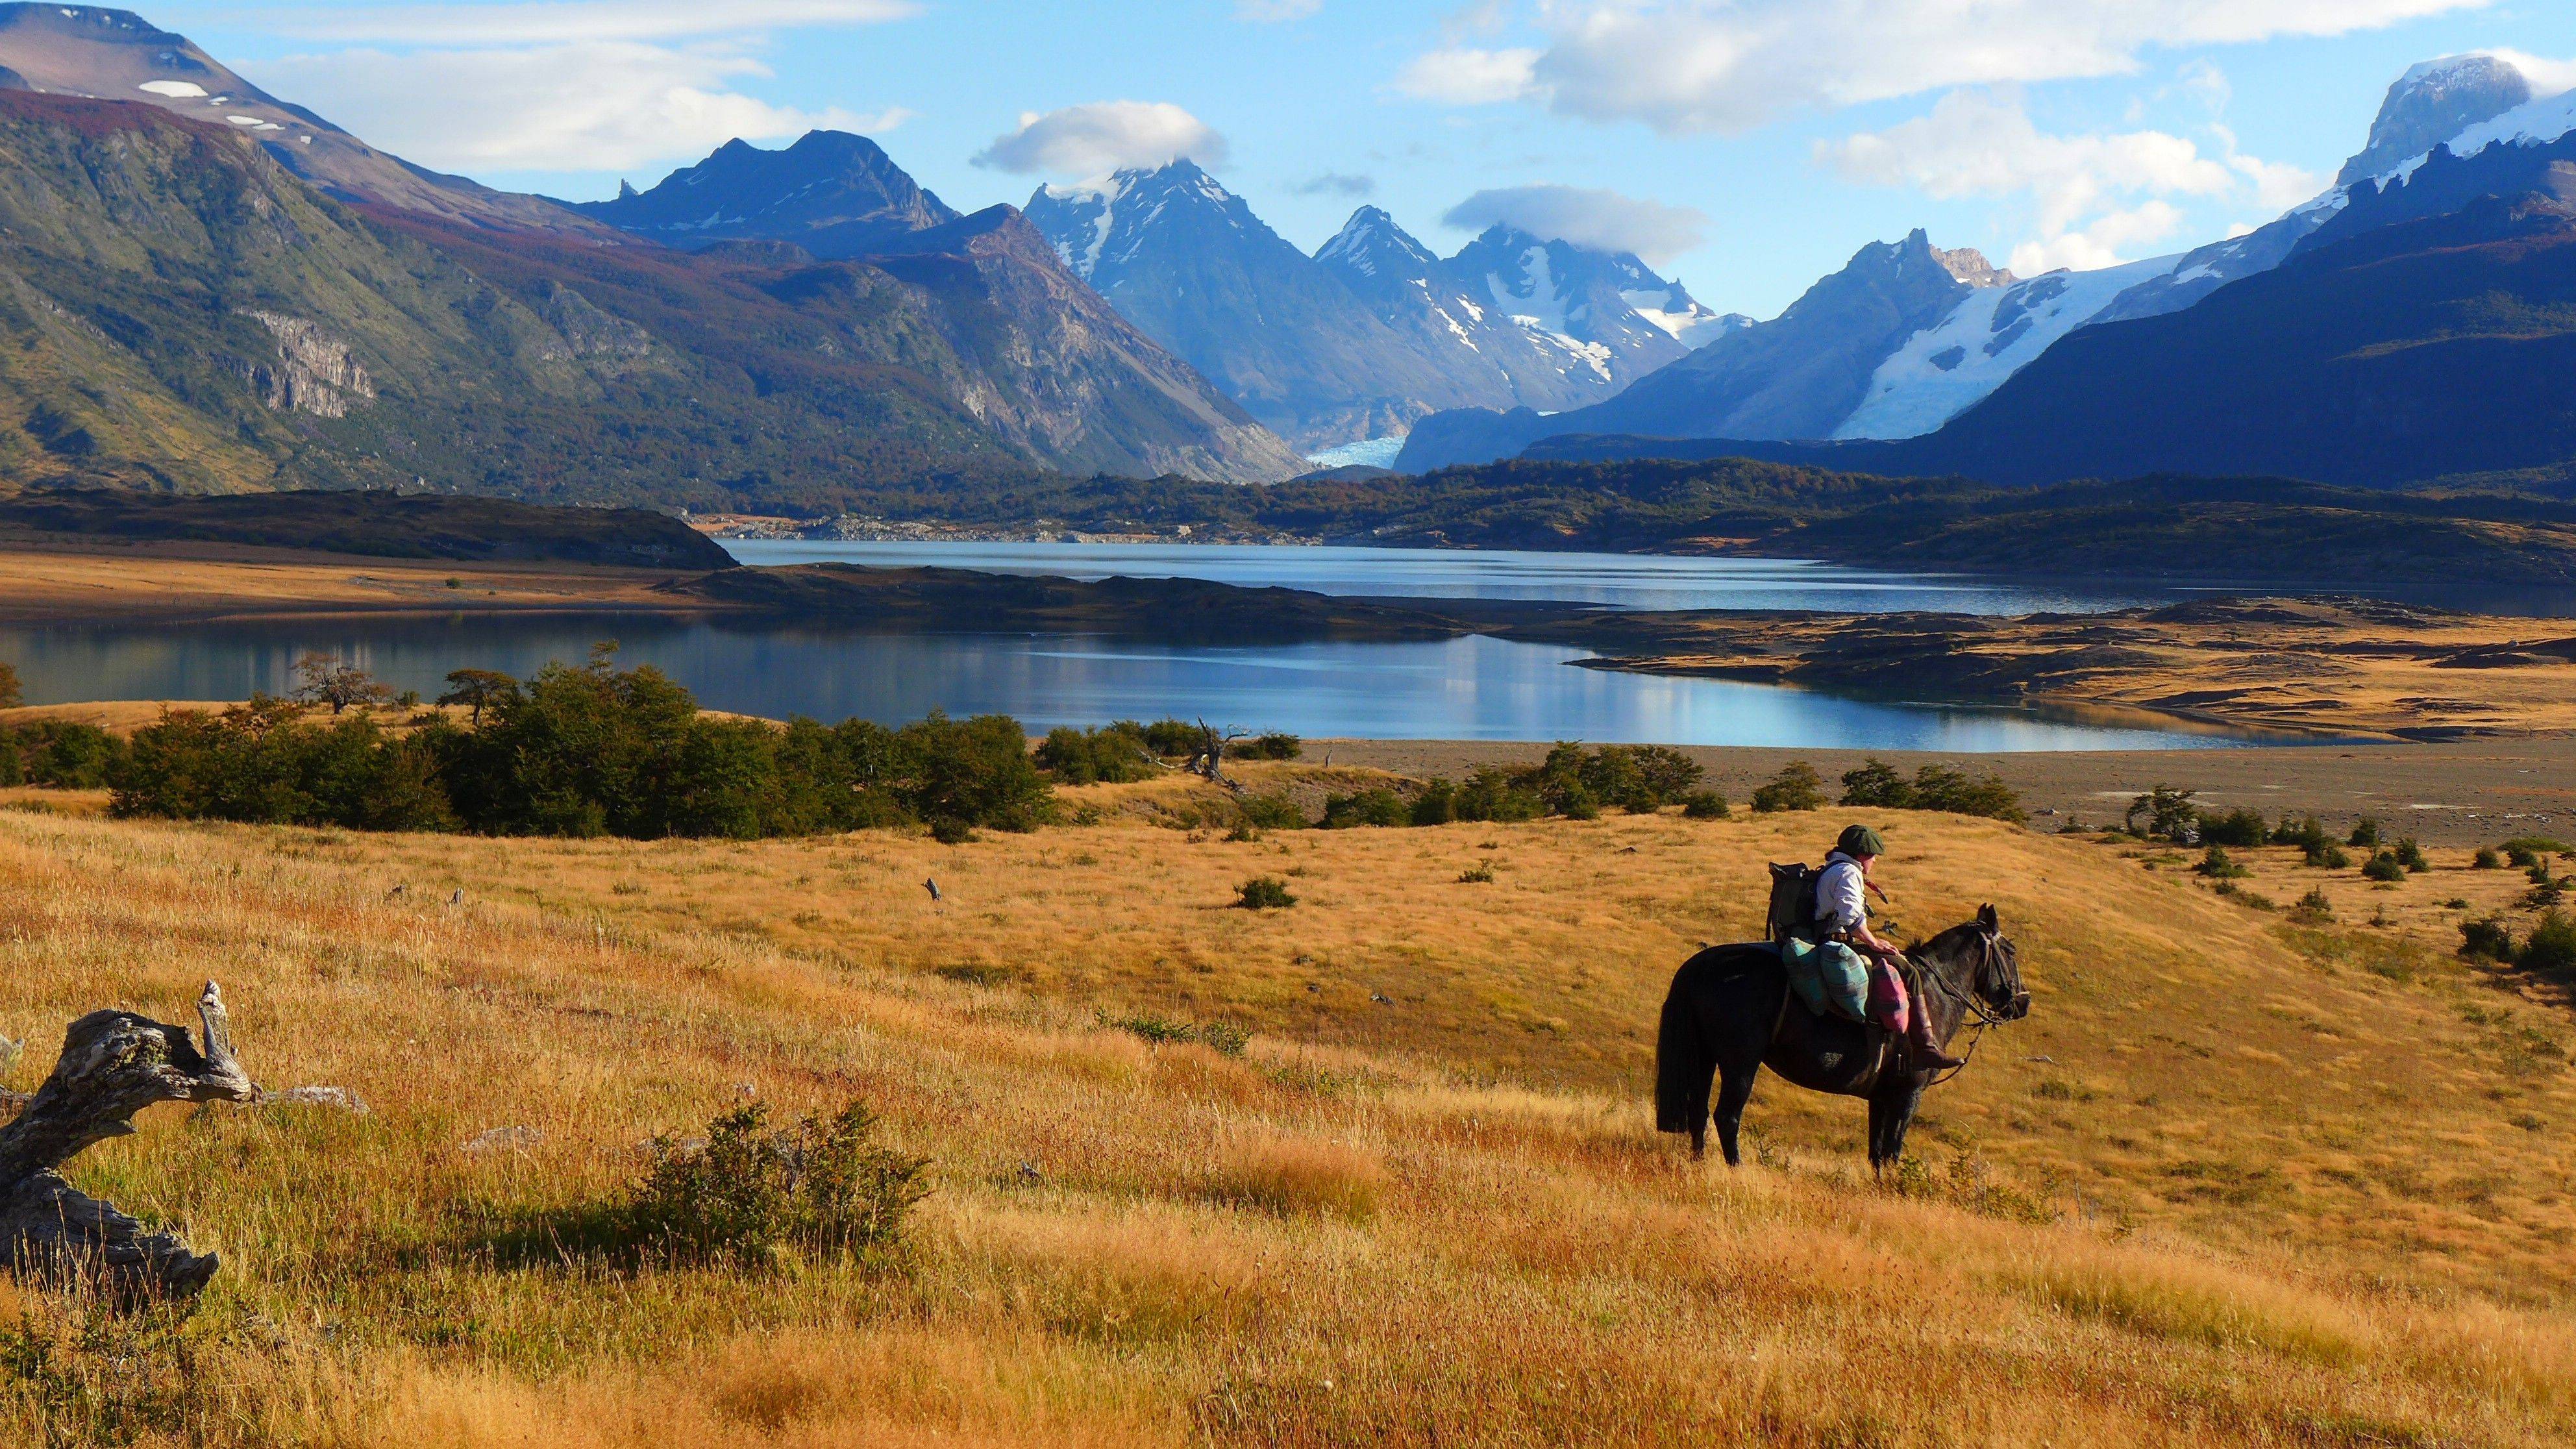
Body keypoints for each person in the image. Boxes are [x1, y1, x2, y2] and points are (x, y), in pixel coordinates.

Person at [1816, 824, 1965, 1072]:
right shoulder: (1849, 873)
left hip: (1825, 938)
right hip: (1837, 942)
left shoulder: (1833, 867)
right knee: (1908, 970)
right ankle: (1926, 1047)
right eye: (1874, 856)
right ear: (1863, 855)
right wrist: (1873, 942)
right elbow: (1850, 918)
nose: (1875, 861)